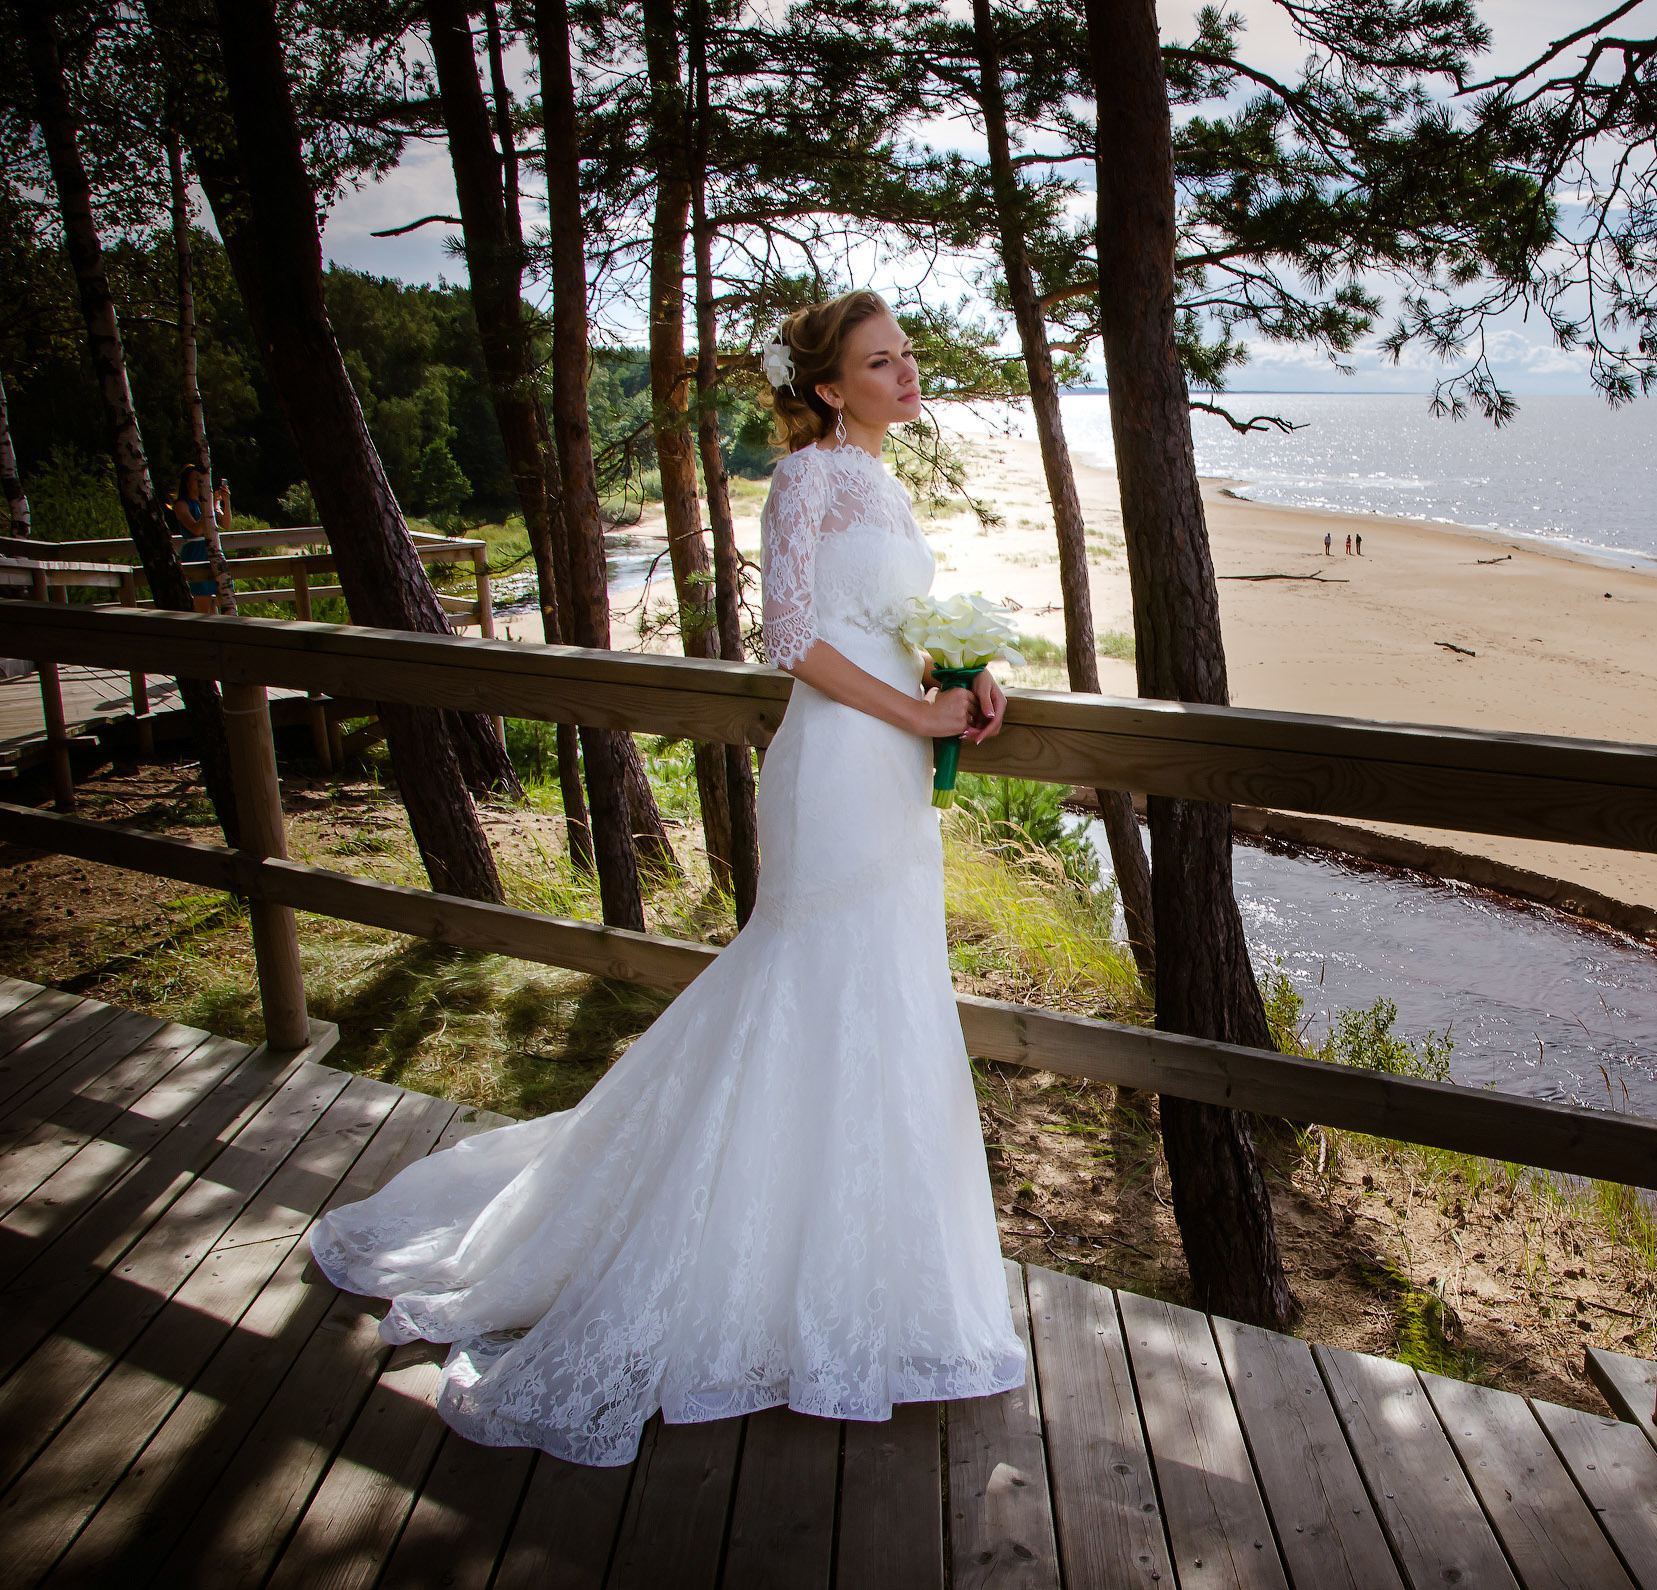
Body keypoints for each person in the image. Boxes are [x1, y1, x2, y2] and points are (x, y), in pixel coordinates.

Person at [307, 290, 1028, 1467]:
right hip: (841, 766)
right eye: (878, 361)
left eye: (906, 354)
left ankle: (860, 1278)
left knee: (885, 996)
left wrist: (974, 676)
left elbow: (897, 620)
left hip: (897, 775)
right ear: (830, 388)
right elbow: (791, 637)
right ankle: (725, 1268)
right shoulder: (808, 478)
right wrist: (914, 709)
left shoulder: (889, 482)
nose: (905, 371)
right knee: (805, 984)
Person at [170, 465, 229, 614]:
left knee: (217, 599)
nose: (200, 483)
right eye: (196, 479)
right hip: (195, 552)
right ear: (187, 483)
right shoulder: (181, 505)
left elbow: (226, 523)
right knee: (201, 600)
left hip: (213, 551)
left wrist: (225, 501)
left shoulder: (207, 504)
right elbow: (195, 529)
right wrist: (207, 507)